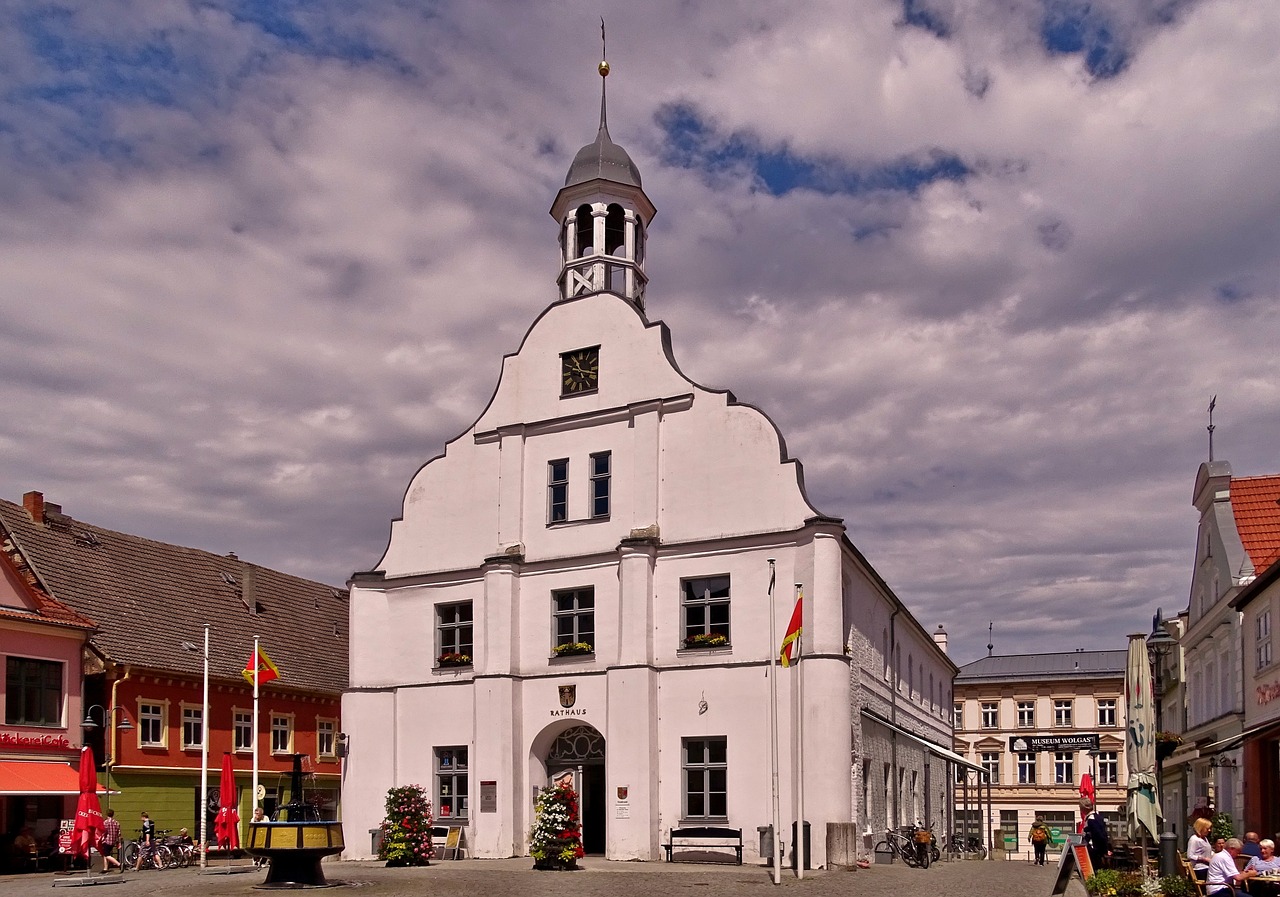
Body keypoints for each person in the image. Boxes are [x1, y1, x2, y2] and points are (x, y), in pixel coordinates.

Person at [1083, 801, 1110, 872]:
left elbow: (1099, 835)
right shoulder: (1097, 817)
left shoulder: (1091, 819)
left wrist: (1102, 849)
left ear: (1084, 808)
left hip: (1094, 849)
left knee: (1095, 868)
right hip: (1098, 848)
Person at [1189, 816, 1214, 882]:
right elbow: (1190, 856)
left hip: (1207, 867)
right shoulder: (1194, 839)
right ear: (1201, 828)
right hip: (1199, 869)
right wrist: (1204, 859)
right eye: (1207, 828)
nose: (1209, 830)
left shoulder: (1205, 838)